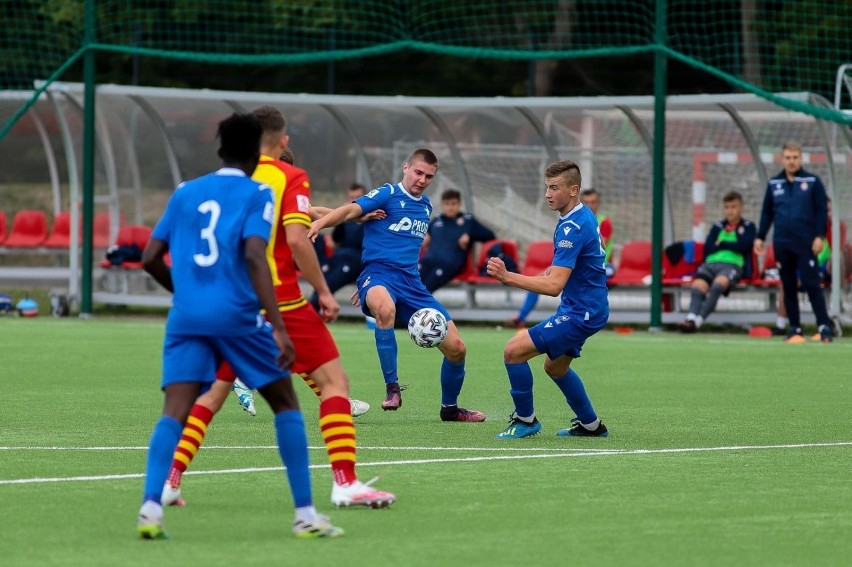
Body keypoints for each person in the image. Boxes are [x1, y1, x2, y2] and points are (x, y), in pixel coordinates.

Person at [160, 106, 393, 511]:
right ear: (283, 141)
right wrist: (322, 290)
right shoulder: (290, 176)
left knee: (211, 394)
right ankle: (345, 482)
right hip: (279, 300)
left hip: (227, 304)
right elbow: (298, 239)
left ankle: (170, 480)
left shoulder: (229, 180)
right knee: (334, 383)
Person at [136, 113, 343, 539]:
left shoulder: (184, 192)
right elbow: (254, 257)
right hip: (237, 314)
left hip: (187, 316)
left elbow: (150, 257)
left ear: (218, 149)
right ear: (256, 152)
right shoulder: (257, 193)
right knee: (286, 403)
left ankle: (151, 508)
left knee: (175, 408)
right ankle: (305, 514)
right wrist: (280, 328)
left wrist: (185, 293)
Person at [306, 148, 485, 422]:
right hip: (378, 275)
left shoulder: (425, 207)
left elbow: (390, 240)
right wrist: (321, 223)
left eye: (429, 176)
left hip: (412, 283)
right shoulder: (387, 194)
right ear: (405, 168)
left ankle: (450, 409)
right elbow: (351, 210)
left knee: (457, 348)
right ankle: (392, 389)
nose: (422, 179)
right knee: (385, 308)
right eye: (418, 172)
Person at [486, 160, 609, 439]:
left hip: (582, 312)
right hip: (587, 307)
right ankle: (591, 425)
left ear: (573, 189)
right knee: (555, 367)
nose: (547, 194)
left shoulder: (573, 227)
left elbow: (554, 286)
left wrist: (508, 277)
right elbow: (563, 270)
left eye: (554, 188)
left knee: (513, 351)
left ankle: (526, 420)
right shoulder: (577, 217)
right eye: (546, 187)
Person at [755, 140, 833, 343]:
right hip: (782, 242)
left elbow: (821, 212)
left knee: (811, 284)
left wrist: (819, 236)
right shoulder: (774, 183)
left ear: (801, 158)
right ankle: (795, 329)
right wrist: (760, 236)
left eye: (795, 157)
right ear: (782, 159)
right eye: (788, 158)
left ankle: (824, 328)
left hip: (806, 242)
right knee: (788, 286)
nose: (791, 161)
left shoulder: (813, 182)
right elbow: (767, 213)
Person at [509, 187, 614, 328]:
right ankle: (521, 317)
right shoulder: (578, 219)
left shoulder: (602, 221)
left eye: (593, 202)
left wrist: (506, 276)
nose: (590, 205)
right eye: (587, 201)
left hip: (604, 266)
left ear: (598, 203)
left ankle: (580, 316)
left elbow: (600, 245)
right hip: (578, 266)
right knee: (540, 278)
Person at [676, 191, 755, 333]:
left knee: (718, 285)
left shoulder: (748, 226)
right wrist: (727, 245)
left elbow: (744, 246)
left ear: (740, 208)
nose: (730, 211)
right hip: (710, 264)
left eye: (733, 207)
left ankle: (698, 322)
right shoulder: (718, 226)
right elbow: (708, 248)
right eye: (727, 207)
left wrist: (722, 243)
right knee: (697, 286)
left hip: (732, 265)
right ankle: (690, 319)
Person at [771, 197, 846, 337]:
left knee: (817, 278)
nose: (826, 213)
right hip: (805, 265)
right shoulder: (804, 227)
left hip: (825, 267)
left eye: (828, 210)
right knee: (787, 282)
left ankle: (827, 322)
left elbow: (837, 249)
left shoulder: (836, 226)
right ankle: (781, 324)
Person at [418, 189, 495, 292]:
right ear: (442, 205)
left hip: (449, 264)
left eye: (453, 204)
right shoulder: (437, 220)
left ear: (459, 204)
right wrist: (425, 238)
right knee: (410, 285)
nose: (450, 207)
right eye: (447, 204)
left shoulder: (468, 220)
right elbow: (425, 237)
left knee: (424, 290)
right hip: (428, 261)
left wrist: (469, 235)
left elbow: (490, 235)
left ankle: (414, 307)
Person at [309, 183, 369, 310]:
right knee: (321, 284)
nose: (354, 202)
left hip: (356, 260)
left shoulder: (371, 218)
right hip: (339, 256)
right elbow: (334, 240)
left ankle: (310, 312)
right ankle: (311, 312)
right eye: (351, 198)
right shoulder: (345, 219)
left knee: (328, 286)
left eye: (358, 197)